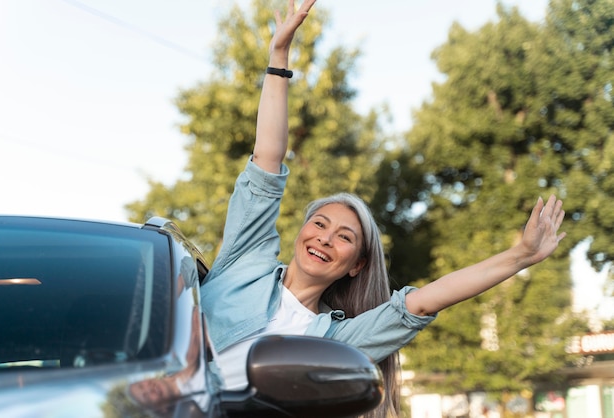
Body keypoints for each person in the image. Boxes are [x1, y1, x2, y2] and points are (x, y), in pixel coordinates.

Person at [200, 1, 566, 417]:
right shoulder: (245, 264)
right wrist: (279, 58)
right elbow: (267, 158)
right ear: (302, 232)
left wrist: (521, 255)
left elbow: (424, 303)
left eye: (344, 237)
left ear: (356, 265)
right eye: (319, 223)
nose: (325, 237)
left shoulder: (336, 341)